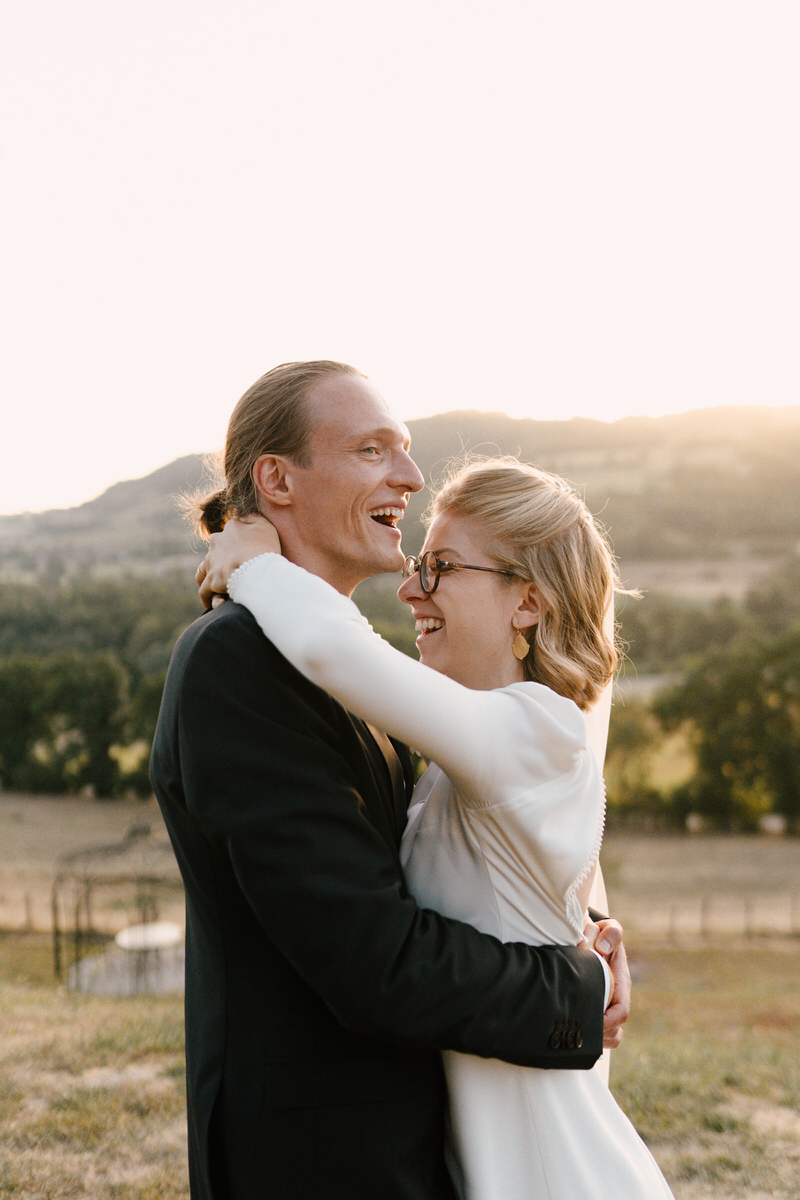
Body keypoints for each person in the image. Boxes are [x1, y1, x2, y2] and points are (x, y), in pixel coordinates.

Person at [151, 361, 628, 1200]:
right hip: (317, 1157)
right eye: (374, 449)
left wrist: (579, 923)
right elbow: (373, 956)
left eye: (405, 451)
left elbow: (472, 851)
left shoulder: (372, 682)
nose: (408, 476)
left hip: (435, 1147)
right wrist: (574, 985)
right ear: (277, 480)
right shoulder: (240, 661)